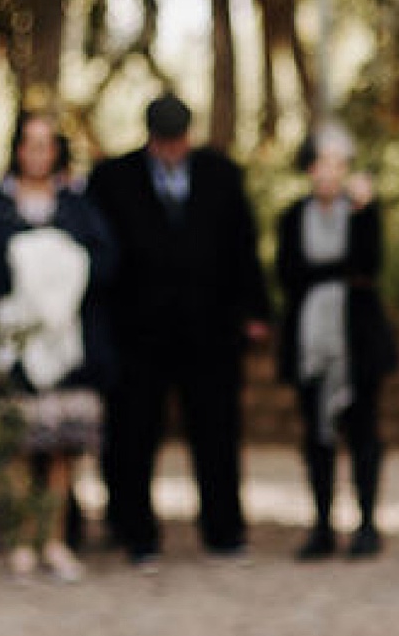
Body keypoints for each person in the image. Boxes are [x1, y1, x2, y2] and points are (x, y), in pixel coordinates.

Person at [88, 92, 270, 565]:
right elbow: (100, 253)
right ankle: (135, 533)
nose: (171, 148)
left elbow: (242, 247)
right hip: (138, 333)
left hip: (209, 329)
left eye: (178, 139)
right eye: (163, 140)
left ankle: (224, 532)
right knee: (133, 434)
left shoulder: (221, 174)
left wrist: (255, 312)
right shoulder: (112, 179)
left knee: (217, 432)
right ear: (149, 137)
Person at [0, 113, 115, 582]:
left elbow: (105, 261)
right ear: (17, 149)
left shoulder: (76, 206)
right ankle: (21, 541)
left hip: (68, 344)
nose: (37, 153)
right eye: (30, 144)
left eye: (46, 144)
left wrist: (60, 269)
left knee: (61, 449)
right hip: (15, 343)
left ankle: (55, 539)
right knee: (19, 447)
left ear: (56, 151)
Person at [274, 128, 398, 560]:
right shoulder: (293, 217)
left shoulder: (362, 213)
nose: (329, 173)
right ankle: (322, 525)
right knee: (317, 436)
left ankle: (367, 523)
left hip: (357, 342)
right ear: (310, 169)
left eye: (338, 165)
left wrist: (364, 213)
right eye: (322, 164)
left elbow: (369, 266)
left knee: (363, 433)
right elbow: (288, 274)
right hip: (311, 341)